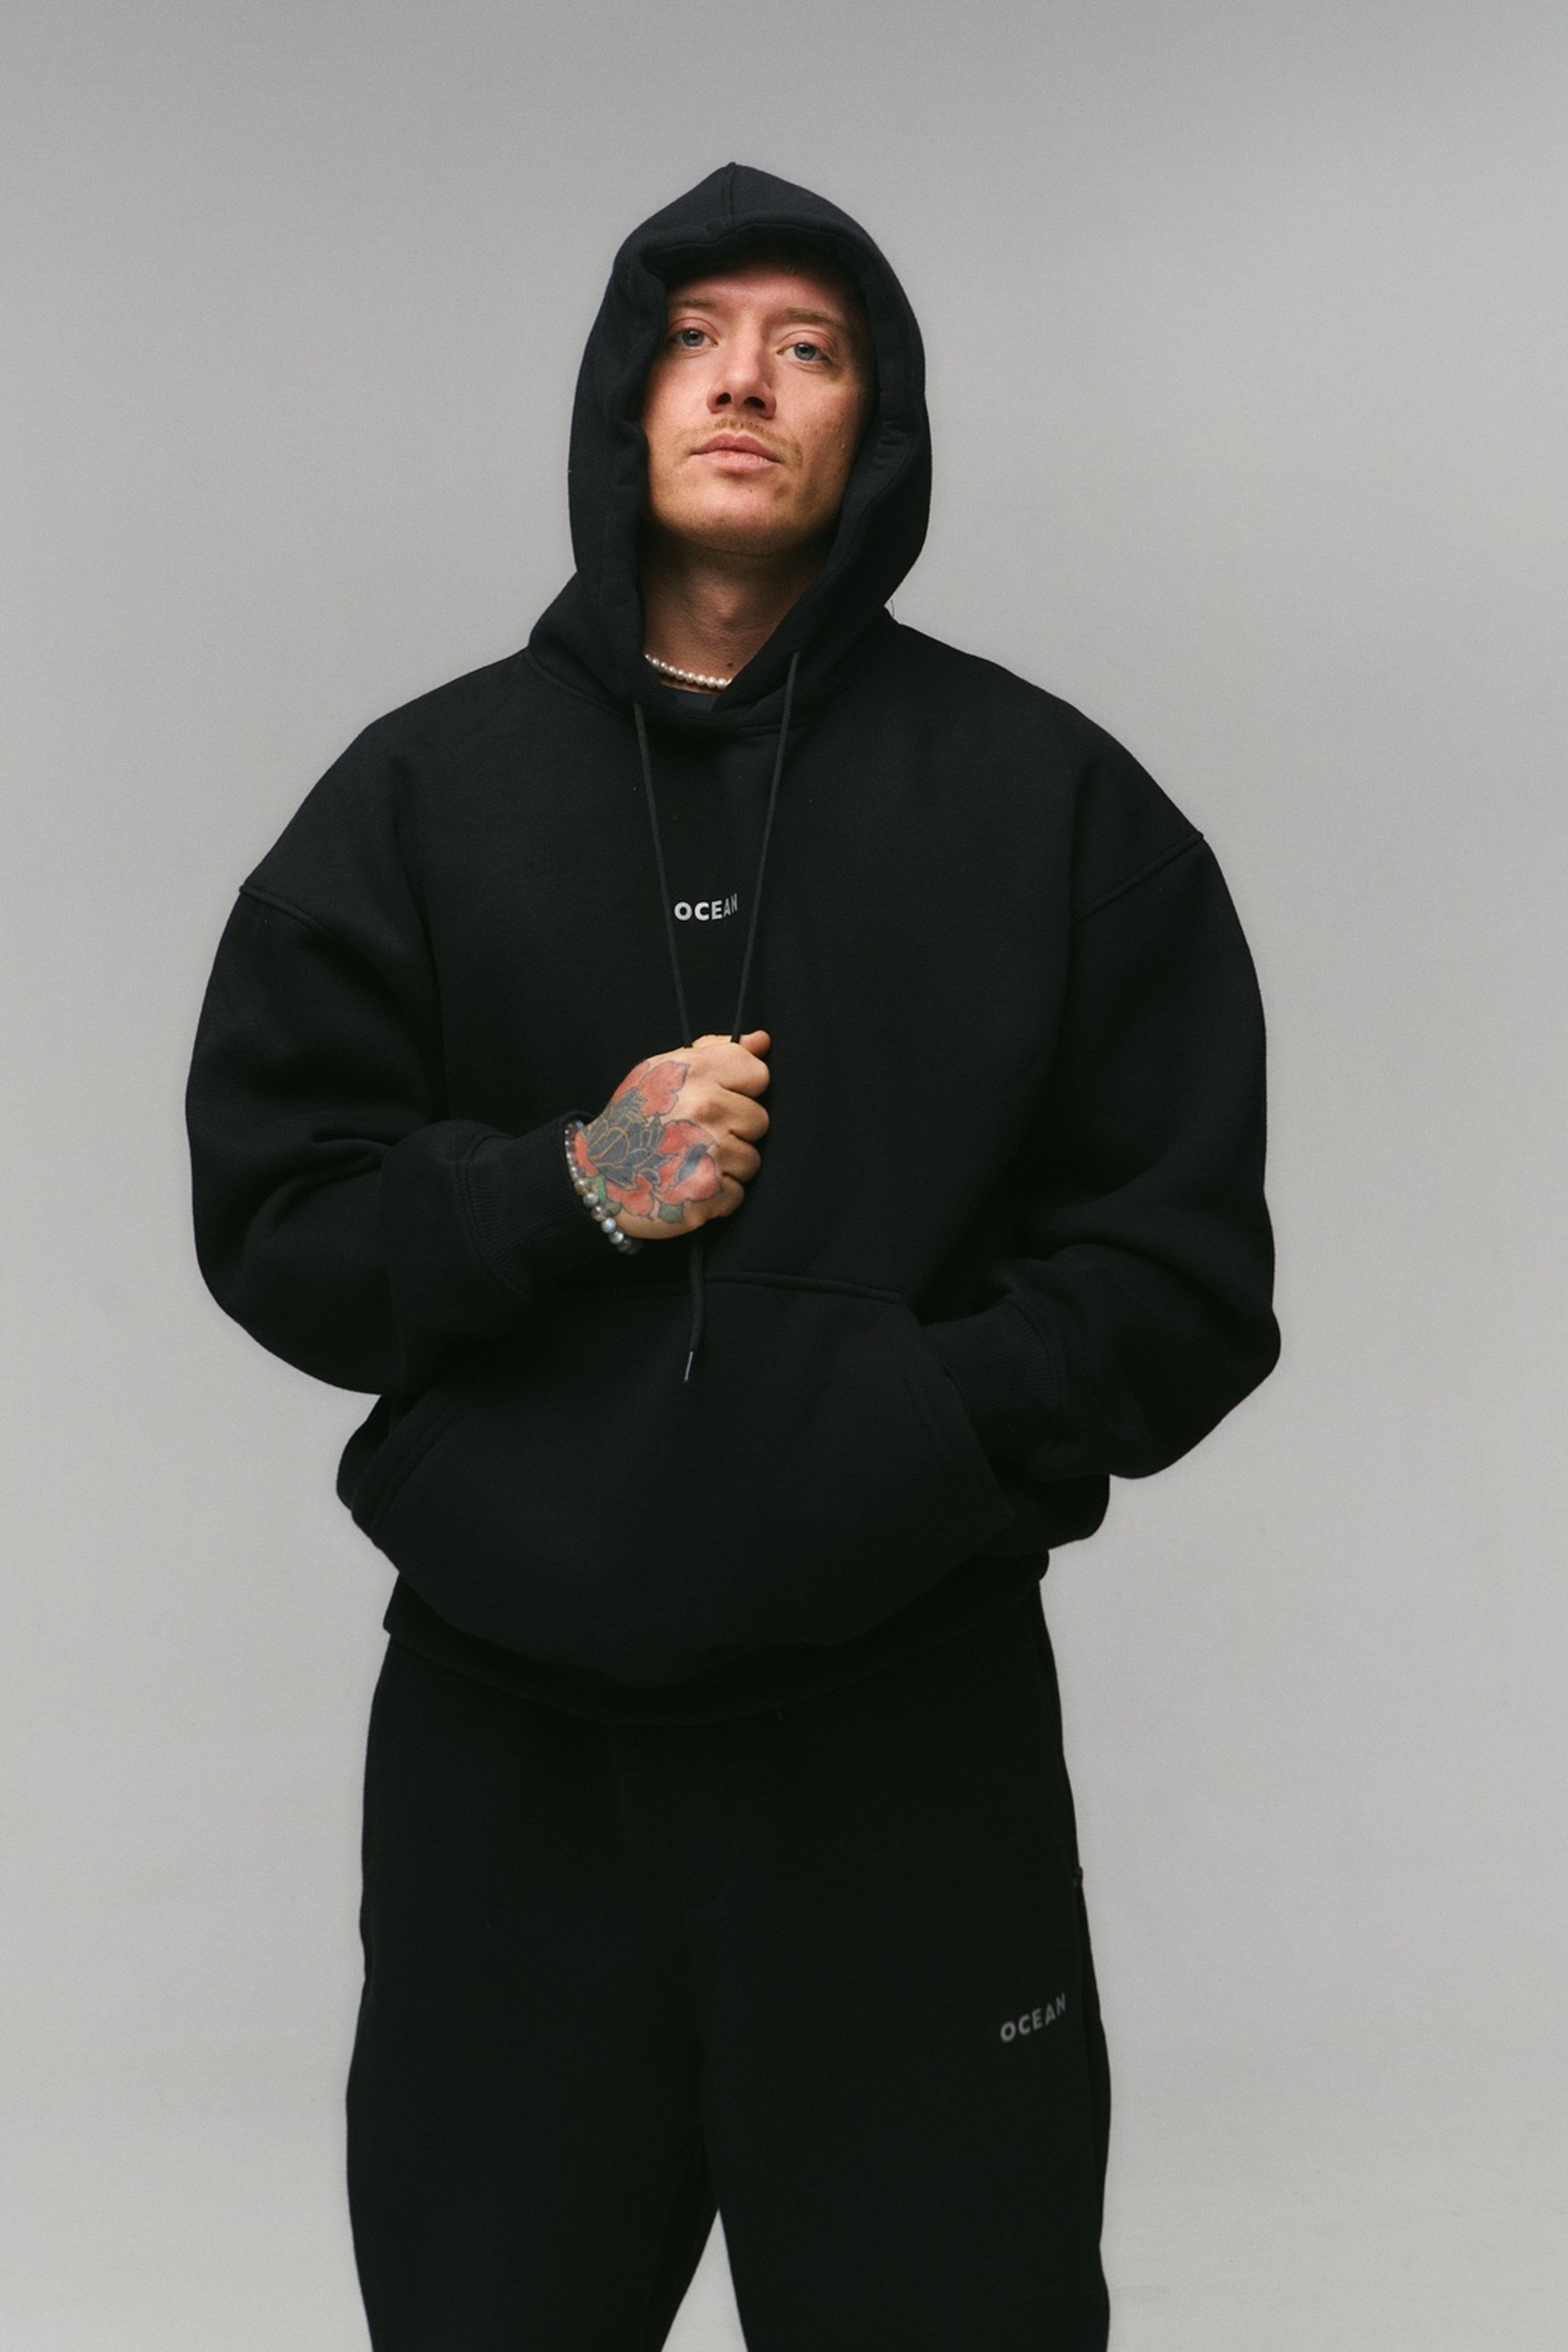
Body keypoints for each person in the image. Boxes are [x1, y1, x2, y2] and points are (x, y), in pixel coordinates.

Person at [186, 162, 1279, 2352]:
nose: (743, 383)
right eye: (694, 338)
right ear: (624, 397)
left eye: (808, 346)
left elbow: (1178, 1281)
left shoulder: (1050, 800)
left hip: (905, 1744)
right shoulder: (420, 796)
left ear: (878, 422)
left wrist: (907, 1418)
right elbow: (277, 1216)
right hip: (511, 1755)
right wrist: (569, 1185)